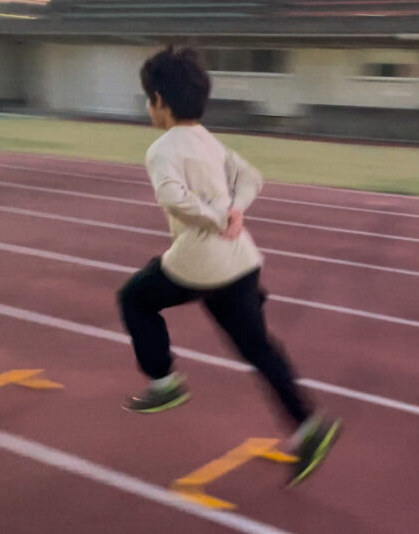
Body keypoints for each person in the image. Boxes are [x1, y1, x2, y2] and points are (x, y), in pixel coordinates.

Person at [117, 46, 340, 487]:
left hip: (199, 262)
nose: (147, 108)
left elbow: (172, 198)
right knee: (258, 348)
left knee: (135, 298)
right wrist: (235, 210)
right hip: (242, 262)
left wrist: (220, 218)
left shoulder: (163, 148)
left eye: (148, 99)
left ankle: (164, 383)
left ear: (160, 101)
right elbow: (251, 176)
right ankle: (308, 427)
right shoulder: (209, 140)